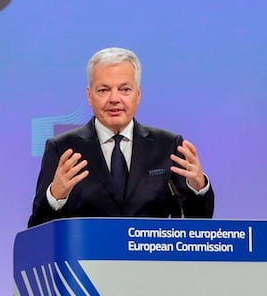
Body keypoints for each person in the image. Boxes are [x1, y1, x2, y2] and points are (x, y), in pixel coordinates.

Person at [28, 48, 214, 227]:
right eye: (103, 90)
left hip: (150, 258)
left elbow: (196, 228)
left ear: (138, 95)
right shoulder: (63, 149)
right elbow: (37, 227)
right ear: (89, 96)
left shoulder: (167, 146)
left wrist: (198, 188)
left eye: (125, 89)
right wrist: (56, 196)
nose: (114, 99)